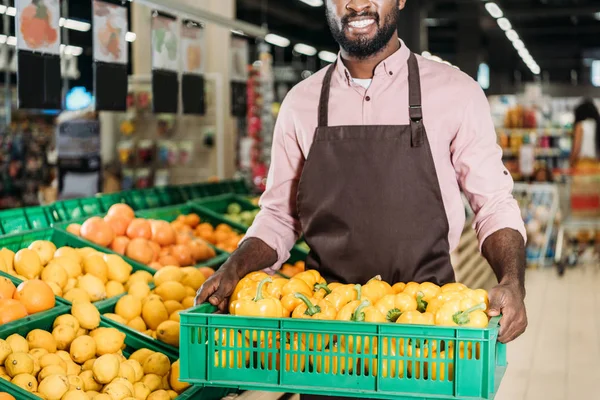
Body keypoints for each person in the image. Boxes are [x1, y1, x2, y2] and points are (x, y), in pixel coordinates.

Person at [197, 0, 528, 360]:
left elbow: (493, 203)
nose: (357, 4)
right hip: (325, 335)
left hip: (427, 326)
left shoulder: (456, 93)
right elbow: (279, 216)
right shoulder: (301, 104)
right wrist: (236, 266)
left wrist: (512, 281)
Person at [570, 99, 600, 167]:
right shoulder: (597, 125)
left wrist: (571, 161)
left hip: (583, 164)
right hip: (597, 165)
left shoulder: (581, 125)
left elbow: (576, 148)